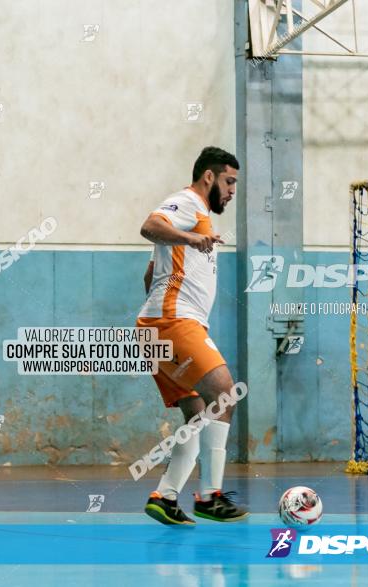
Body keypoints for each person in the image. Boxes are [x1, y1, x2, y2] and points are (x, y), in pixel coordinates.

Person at [137, 146, 248, 524]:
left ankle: (165, 496)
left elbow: (151, 275)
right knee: (224, 394)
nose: (232, 191)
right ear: (209, 177)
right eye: (229, 182)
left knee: (198, 416)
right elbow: (149, 226)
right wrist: (190, 241)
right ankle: (209, 496)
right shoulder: (187, 203)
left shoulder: (196, 219)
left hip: (165, 325)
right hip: (174, 324)